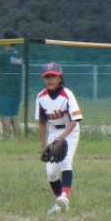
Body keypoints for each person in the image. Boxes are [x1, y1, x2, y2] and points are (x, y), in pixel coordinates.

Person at [35, 62, 83, 213]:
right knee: (51, 172)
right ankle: (61, 203)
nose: (50, 79)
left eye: (53, 76)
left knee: (66, 161)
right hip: (54, 132)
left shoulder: (67, 94)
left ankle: (65, 196)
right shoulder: (41, 97)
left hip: (70, 130)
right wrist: (44, 144)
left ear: (60, 78)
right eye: (47, 77)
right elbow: (42, 122)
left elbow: (75, 120)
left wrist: (62, 138)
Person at [0, 30, 23, 138]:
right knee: (14, 117)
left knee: (6, 119)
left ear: (7, 41)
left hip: (5, 90)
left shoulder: (2, 54)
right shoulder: (19, 55)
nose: (1, 40)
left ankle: (6, 141)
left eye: (3, 38)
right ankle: (19, 141)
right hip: (16, 91)